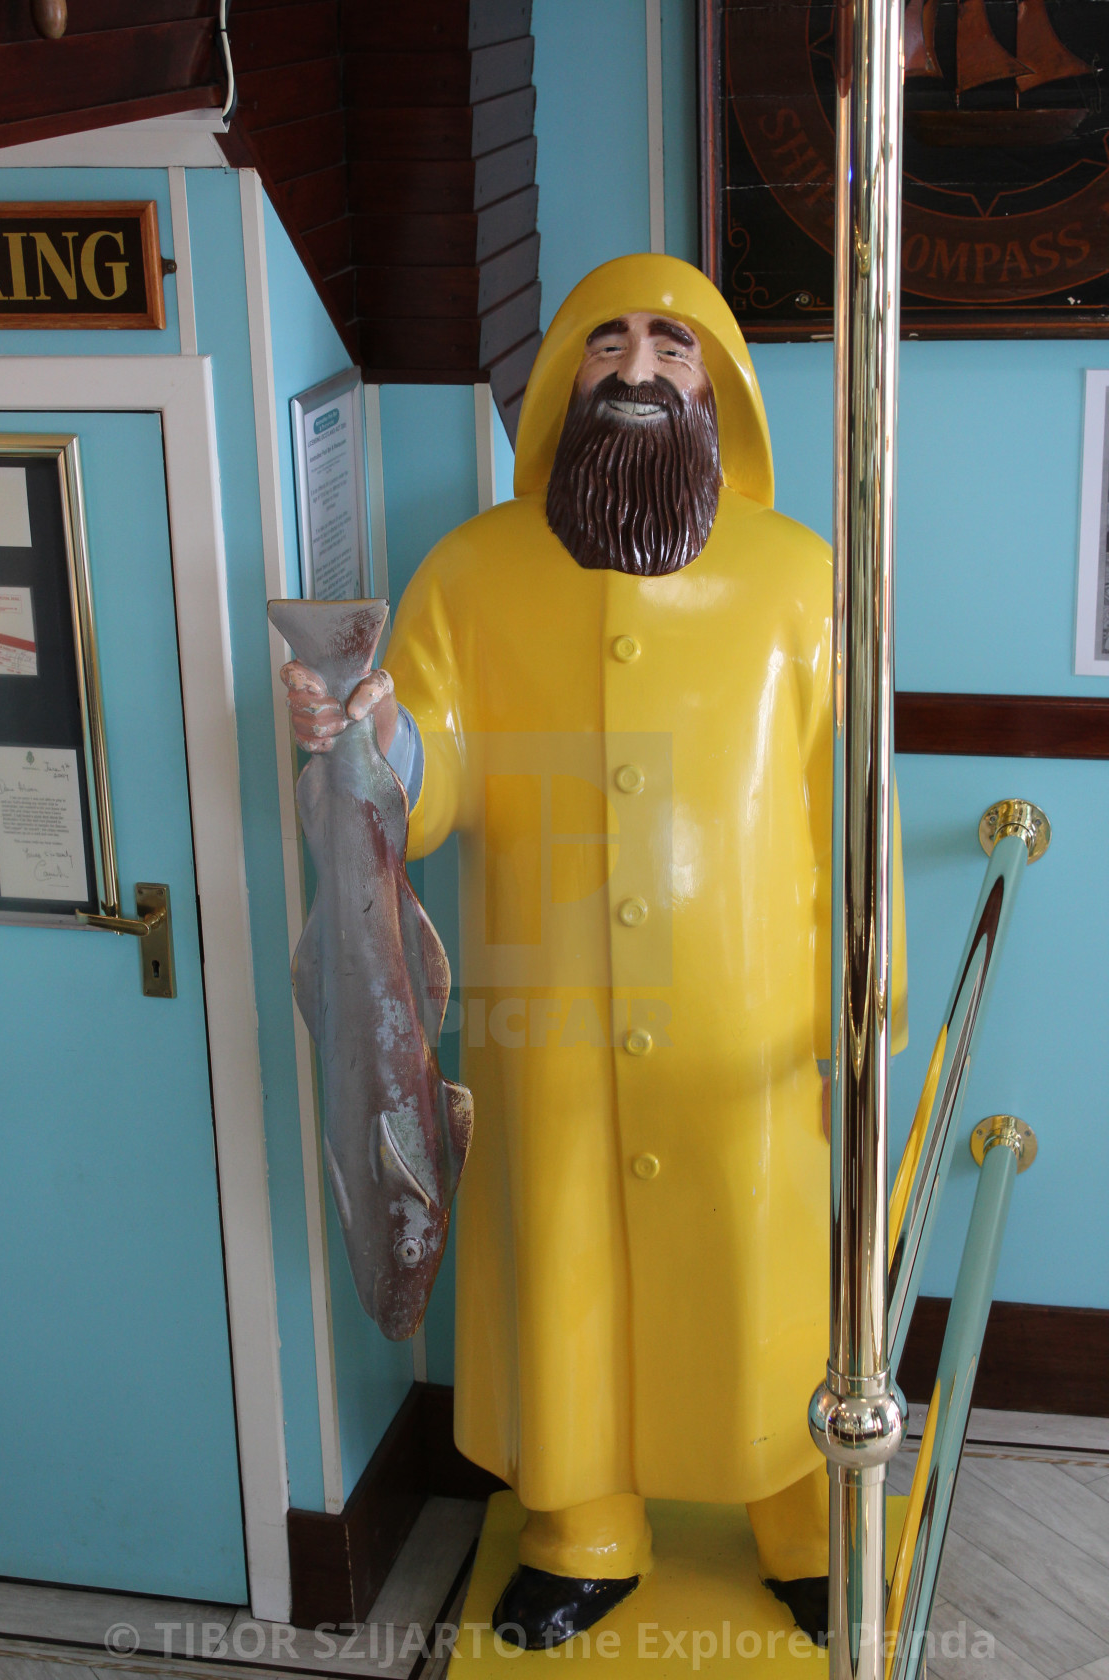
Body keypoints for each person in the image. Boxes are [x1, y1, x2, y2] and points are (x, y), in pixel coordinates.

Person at [283, 255, 907, 1650]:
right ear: (566, 368)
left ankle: (802, 1517)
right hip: (551, 1012)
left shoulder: (801, 577)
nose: (638, 371)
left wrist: (863, 1011)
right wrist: (366, 738)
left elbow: (851, 807)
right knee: (563, 1259)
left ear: (719, 384)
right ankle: (583, 1526)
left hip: (750, 1010)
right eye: (609, 341)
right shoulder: (474, 571)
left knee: (764, 1274)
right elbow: (427, 770)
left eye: (673, 347)